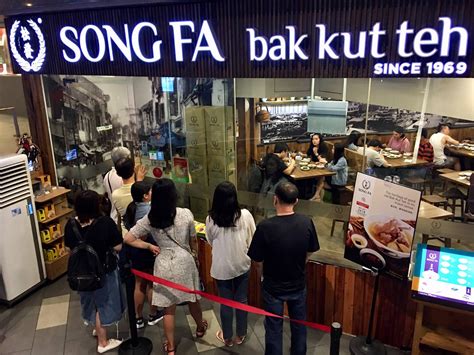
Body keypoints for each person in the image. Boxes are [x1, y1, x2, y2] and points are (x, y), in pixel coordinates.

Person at [124, 179, 207, 355]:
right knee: (193, 299)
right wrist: (195, 256)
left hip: (163, 263)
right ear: (173, 195)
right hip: (185, 261)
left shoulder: (150, 218)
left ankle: (170, 348)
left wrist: (148, 246)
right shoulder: (185, 214)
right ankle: (200, 328)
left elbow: (128, 238)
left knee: (169, 309)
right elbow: (193, 239)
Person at [248, 182, 319, 355]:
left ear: (275, 200)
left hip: (273, 286)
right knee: (299, 325)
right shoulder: (306, 222)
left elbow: (257, 260)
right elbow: (310, 250)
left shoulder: (265, 227)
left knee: (273, 328)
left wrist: (262, 275)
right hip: (298, 283)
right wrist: (301, 263)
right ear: (296, 201)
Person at [64, 190, 124, 354]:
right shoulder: (105, 223)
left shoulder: (70, 225)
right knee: (103, 304)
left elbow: (69, 249)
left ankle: (97, 329)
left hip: (80, 273)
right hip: (103, 271)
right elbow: (118, 246)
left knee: (90, 302)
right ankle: (103, 342)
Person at [205, 181, 256, 347]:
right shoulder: (245, 215)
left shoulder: (211, 219)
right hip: (242, 263)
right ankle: (240, 335)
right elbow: (252, 237)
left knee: (226, 303)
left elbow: (210, 240)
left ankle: (227, 337)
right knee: (241, 300)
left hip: (222, 267)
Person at [123, 181, 164, 329]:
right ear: (146, 196)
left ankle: (138, 318)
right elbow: (145, 235)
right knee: (152, 284)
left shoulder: (131, 207)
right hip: (148, 251)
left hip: (135, 252)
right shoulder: (149, 210)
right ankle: (153, 314)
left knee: (139, 284)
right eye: (150, 191)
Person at [111, 157, 147, 233]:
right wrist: (139, 181)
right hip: (143, 233)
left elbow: (119, 216)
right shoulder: (143, 190)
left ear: (117, 174)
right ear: (134, 169)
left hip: (127, 233)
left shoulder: (115, 195)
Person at [103, 147, 131, 224]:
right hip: (126, 219)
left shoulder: (107, 176)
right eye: (128, 157)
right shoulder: (124, 176)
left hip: (114, 216)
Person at [307, 134, 329, 201]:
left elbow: (323, 160)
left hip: (323, 166)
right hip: (314, 165)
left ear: (320, 139)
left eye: (316, 139)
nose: (314, 141)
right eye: (313, 139)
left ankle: (316, 195)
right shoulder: (312, 146)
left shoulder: (324, 146)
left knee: (321, 177)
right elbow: (308, 154)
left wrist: (316, 153)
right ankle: (311, 194)